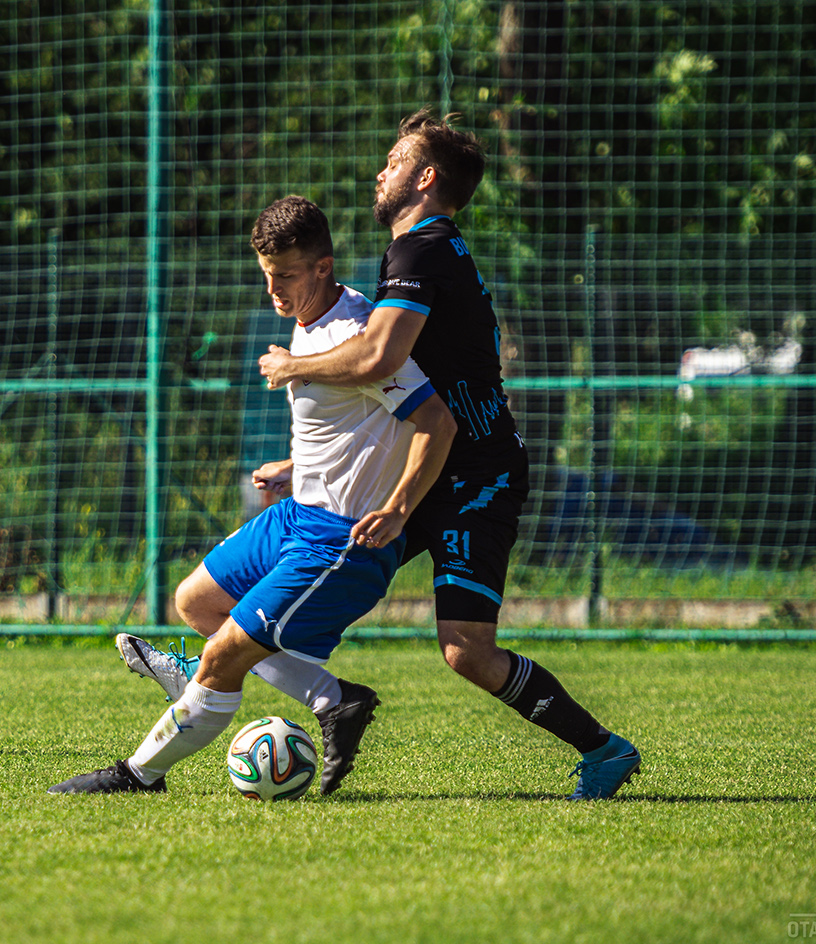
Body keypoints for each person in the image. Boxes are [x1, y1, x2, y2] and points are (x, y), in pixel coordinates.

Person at [128, 110, 641, 800]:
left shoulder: (420, 251)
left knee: (466, 650)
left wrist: (294, 369)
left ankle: (604, 750)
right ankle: (272, 681)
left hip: (473, 478)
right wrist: (307, 467)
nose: (382, 170)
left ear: (426, 178)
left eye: (397, 160)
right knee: (256, 598)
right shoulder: (419, 253)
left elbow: (380, 358)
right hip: (434, 467)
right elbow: (397, 390)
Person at [49, 196, 456, 795]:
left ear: (323, 266)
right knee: (197, 604)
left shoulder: (357, 333)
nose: (274, 290)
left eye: (286, 275)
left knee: (223, 658)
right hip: (295, 515)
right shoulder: (311, 318)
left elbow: (434, 424)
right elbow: (364, 425)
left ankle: (139, 774)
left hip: (340, 541)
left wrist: (396, 507)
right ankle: (334, 699)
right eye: (266, 275)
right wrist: (298, 467)